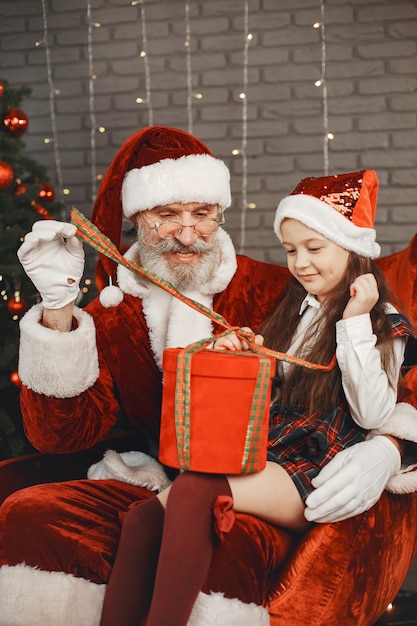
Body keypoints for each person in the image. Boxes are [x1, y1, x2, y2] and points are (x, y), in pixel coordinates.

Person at [1, 126, 417, 625]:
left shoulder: (272, 289)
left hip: (299, 463)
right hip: (242, 460)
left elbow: (386, 388)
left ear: (220, 215)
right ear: (136, 218)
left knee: (197, 495)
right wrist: (57, 310)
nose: (186, 231)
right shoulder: (114, 312)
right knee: (137, 517)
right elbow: (59, 434)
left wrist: (392, 447)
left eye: (201, 214)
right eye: (166, 215)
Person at [97, 169, 414, 626]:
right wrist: (241, 357)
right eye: (291, 250)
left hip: (314, 465)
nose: (301, 262)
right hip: (267, 450)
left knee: (193, 488)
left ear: (353, 249)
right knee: (142, 520)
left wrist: (355, 322)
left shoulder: (380, 318)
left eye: (315, 248)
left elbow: (374, 411)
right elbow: (275, 393)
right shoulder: (297, 308)